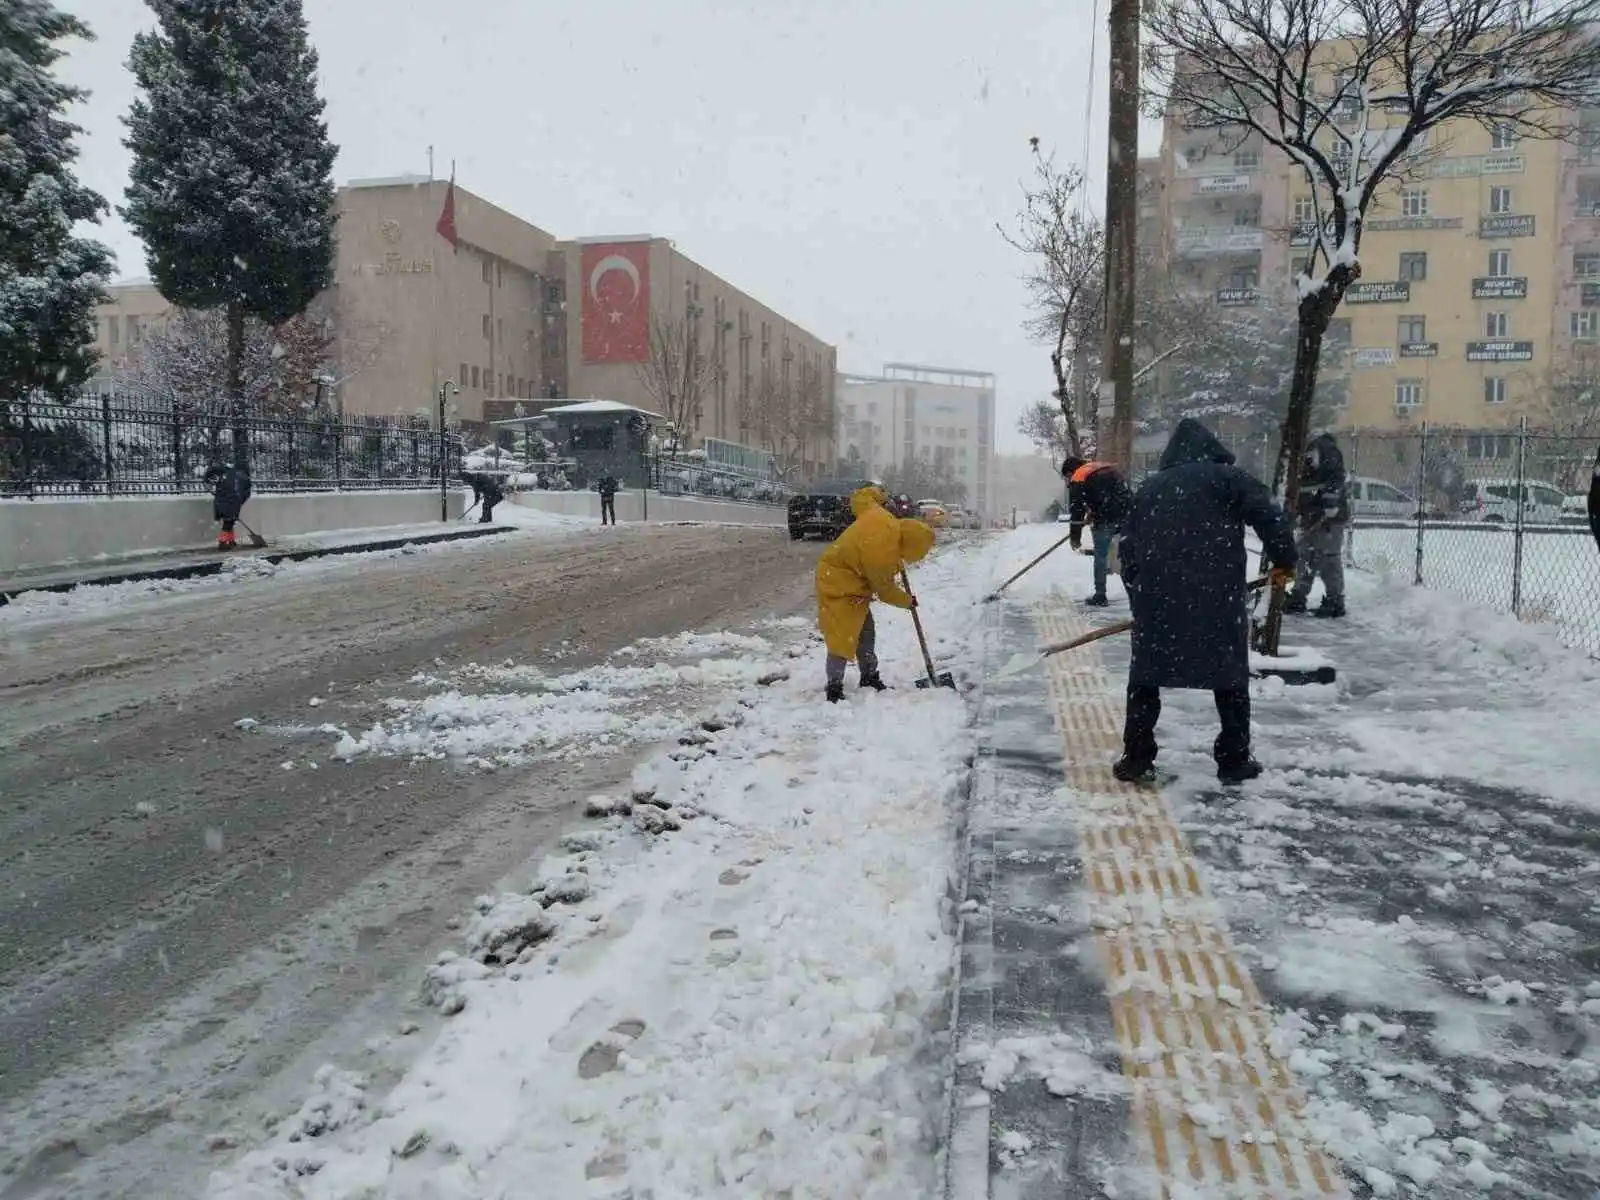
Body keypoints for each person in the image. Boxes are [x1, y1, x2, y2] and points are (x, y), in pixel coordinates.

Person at [1114, 418, 1297, 786]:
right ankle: (1233, 760)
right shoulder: (1228, 479)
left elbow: (1128, 551)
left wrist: (1140, 597)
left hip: (1159, 601)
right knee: (1229, 676)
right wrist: (1284, 560)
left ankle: (1136, 758)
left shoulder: (1150, 488)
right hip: (1217, 598)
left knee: (1146, 678)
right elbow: (1271, 516)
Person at [815, 485, 936, 703]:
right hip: (838, 582)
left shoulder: (883, 517)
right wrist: (907, 601)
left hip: (853, 581)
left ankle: (869, 676)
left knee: (865, 631)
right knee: (842, 636)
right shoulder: (883, 551)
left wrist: (879, 495)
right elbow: (885, 590)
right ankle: (834, 687)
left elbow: (861, 499)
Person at [1285, 431, 1350, 618]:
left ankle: (1334, 600)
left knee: (1328, 558)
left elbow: (1335, 478)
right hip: (1312, 515)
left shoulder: (1324, 449)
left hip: (1328, 518)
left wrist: (1330, 504)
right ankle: (1298, 596)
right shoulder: (1306, 452)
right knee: (1305, 556)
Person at [1061, 455, 1135, 607]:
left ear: (1070, 472)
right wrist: (1094, 511)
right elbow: (1108, 493)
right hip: (1128, 513)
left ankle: (1100, 595)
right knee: (1128, 555)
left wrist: (1075, 538)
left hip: (1105, 519)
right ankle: (1135, 593)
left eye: (1067, 477)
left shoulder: (1078, 476)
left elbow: (1076, 511)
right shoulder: (1102, 467)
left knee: (1101, 554)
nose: (1068, 481)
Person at [203, 459, 252, 550]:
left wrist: (211, 489)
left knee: (229, 521)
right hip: (232, 500)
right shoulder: (241, 476)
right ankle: (222, 542)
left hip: (223, 499)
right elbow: (246, 492)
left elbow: (209, 476)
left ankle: (230, 540)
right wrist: (240, 501)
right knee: (229, 522)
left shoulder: (225, 472)